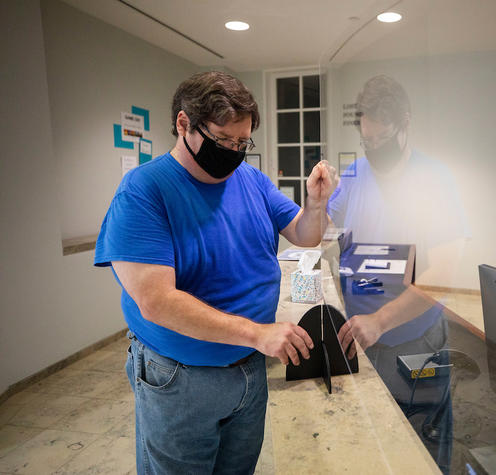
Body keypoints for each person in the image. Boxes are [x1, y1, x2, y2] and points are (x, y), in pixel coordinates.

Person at [94, 71, 335, 474]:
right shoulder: (143, 190)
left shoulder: (251, 180)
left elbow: (306, 236)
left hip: (249, 368)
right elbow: (156, 302)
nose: (234, 151)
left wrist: (315, 204)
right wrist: (257, 332)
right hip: (180, 379)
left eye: (243, 142)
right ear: (184, 123)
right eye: (224, 141)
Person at [328, 75, 469, 473]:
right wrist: (317, 198)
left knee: (422, 449)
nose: (374, 149)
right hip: (363, 338)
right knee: (372, 447)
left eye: (383, 139)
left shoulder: (434, 179)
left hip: (413, 339)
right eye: (367, 140)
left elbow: (443, 273)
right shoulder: (356, 174)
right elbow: (323, 227)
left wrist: (381, 320)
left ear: (404, 123)